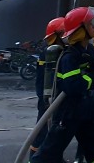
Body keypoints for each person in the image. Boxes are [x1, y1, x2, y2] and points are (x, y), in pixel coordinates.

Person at [31, 7, 94, 163]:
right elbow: (72, 87)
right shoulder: (69, 56)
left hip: (86, 110)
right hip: (69, 112)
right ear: (80, 30)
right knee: (48, 153)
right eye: (90, 24)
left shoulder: (87, 52)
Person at [29, 17, 65, 159]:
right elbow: (42, 79)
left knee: (56, 131)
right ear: (56, 35)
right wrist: (45, 99)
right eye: (63, 33)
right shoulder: (49, 53)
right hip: (47, 98)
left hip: (57, 97)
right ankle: (33, 158)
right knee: (42, 132)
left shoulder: (60, 51)